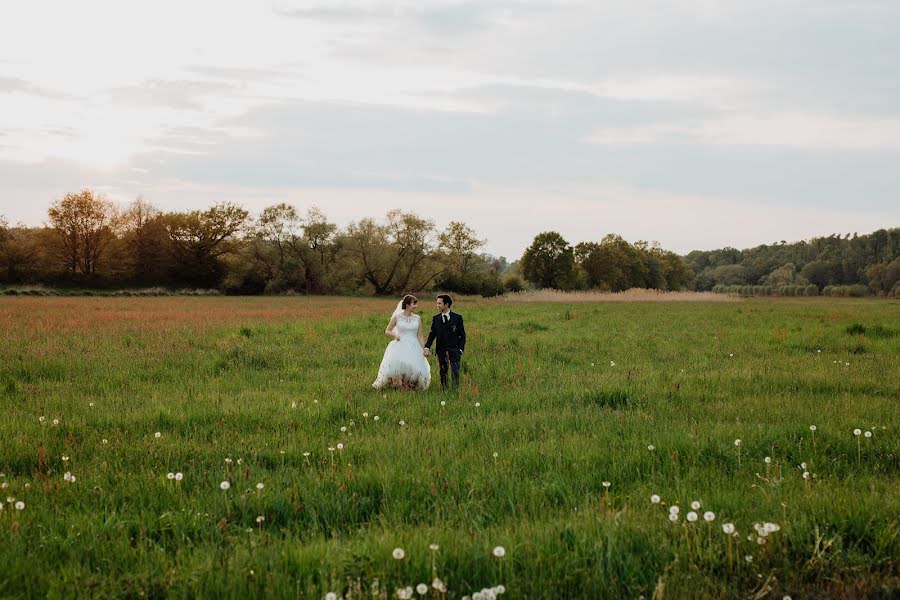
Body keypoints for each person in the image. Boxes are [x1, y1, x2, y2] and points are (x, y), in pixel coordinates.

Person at [372, 295, 431, 390]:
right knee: (400, 366)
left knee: (415, 367)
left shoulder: (417, 318)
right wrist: (395, 335)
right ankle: (401, 386)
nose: (416, 306)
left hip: (414, 345)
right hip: (400, 344)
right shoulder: (397, 317)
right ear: (407, 304)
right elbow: (387, 330)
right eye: (414, 304)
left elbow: (419, 335)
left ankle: (412, 386)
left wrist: (424, 348)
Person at [424, 294, 466, 390]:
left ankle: (455, 391)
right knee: (443, 371)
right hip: (441, 350)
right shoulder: (436, 318)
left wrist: (460, 349)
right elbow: (432, 334)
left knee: (455, 371)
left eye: (439, 303)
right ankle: (444, 390)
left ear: (446, 304)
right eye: (437, 303)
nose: (437, 305)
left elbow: (462, 335)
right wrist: (427, 347)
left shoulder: (457, 317)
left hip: (455, 349)